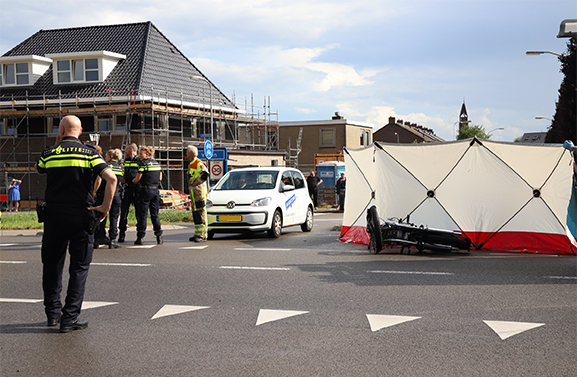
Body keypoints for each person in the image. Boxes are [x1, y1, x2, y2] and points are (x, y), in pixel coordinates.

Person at [36, 115, 117, 333]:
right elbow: (112, 179)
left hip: (53, 218)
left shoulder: (48, 153)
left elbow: (41, 169)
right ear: (80, 132)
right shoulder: (91, 154)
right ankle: (69, 318)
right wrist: (104, 208)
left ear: (61, 130)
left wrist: (57, 142)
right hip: (82, 217)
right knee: (79, 268)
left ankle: (53, 314)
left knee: (52, 265)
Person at [132, 146, 163, 245]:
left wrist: (132, 181)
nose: (139, 156)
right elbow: (160, 178)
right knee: (155, 215)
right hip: (155, 191)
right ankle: (159, 237)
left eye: (141, 154)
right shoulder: (157, 164)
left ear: (148, 155)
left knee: (143, 215)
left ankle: (140, 237)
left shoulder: (143, 164)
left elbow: (137, 178)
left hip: (145, 192)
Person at [94, 149, 124, 249]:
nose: (105, 157)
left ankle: (98, 238)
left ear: (111, 157)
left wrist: (94, 192)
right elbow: (120, 182)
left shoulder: (105, 166)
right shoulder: (121, 168)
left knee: (100, 216)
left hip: (103, 193)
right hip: (115, 194)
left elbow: (98, 180)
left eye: (106, 155)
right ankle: (112, 239)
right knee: (114, 217)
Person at [118, 143, 141, 243]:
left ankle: (139, 236)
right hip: (127, 189)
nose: (125, 151)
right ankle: (121, 234)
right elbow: (124, 174)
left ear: (131, 150)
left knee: (139, 213)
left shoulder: (139, 160)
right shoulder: (126, 161)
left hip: (136, 189)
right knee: (124, 212)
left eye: (127, 149)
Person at [186, 145, 209, 242]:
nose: (186, 153)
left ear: (191, 153)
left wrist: (197, 182)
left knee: (200, 212)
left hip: (199, 192)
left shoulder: (198, 163)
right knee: (196, 213)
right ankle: (198, 233)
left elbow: (205, 174)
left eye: (187, 152)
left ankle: (203, 235)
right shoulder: (191, 163)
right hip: (194, 192)